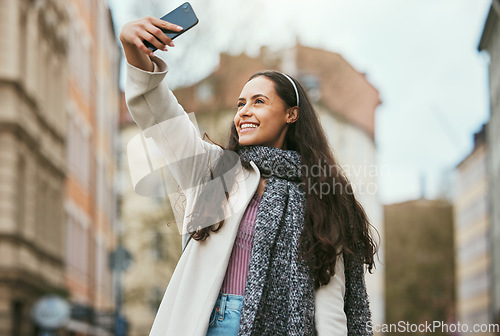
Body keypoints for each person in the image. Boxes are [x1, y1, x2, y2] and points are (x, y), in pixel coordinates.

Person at [120, 16, 378, 336]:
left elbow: (329, 294)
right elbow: (161, 118)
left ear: (291, 114)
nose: (244, 111)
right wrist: (133, 51)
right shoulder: (215, 171)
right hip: (206, 323)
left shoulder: (323, 194)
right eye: (241, 103)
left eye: (259, 101)